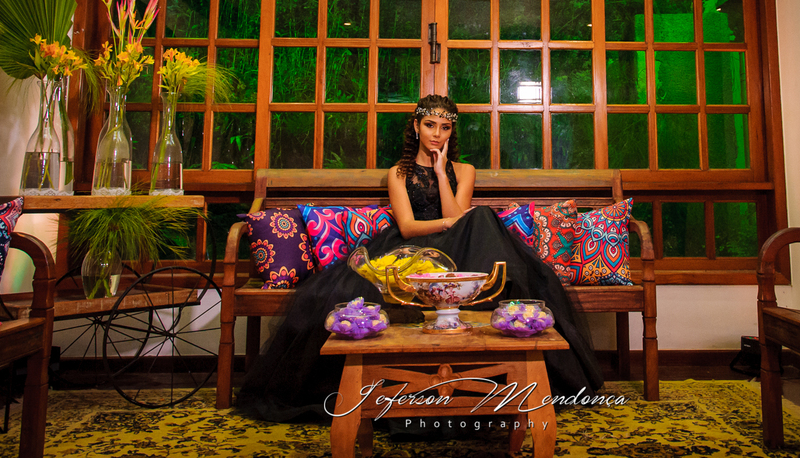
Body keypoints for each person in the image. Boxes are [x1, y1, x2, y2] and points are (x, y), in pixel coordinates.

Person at [235, 94, 603, 423]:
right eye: (430, 125)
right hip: (410, 249)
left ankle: (506, 372)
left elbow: (460, 218)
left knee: (481, 217)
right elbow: (409, 227)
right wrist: (446, 222)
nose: (437, 134)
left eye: (445, 127)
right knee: (348, 292)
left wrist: (442, 173)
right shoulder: (399, 172)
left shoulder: (465, 171)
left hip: (459, 246)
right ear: (416, 126)